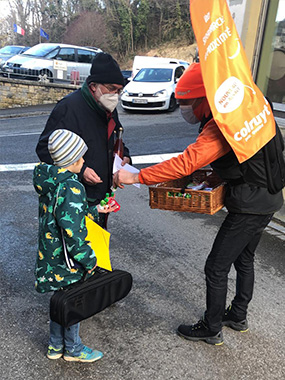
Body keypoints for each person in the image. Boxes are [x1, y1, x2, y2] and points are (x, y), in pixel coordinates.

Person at [114, 63, 284, 345]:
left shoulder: (222, 122)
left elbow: (187, 162)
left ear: (205, 98)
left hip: (249, 203)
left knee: (216, 267)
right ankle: (238, 315)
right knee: (244, 258)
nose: (184, 108)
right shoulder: (249, 103)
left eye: (187, 102)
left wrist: (138, 177)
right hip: (269, 195)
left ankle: (211, 327)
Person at [33, 129, 118, 361]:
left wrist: (93, 210)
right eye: (81, 157)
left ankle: (55, 346)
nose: (84, 161)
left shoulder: (50, 181)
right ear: (71, 161)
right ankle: (74, 349)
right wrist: (89, 260)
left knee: (59, 301)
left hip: (51, 254)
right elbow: (74, 232)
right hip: (68, 258)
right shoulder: (72, 186)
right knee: (73, 303)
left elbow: (60, 214)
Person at [36, 52, 131, 227]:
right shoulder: (69, 107)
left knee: (95, 246)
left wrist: (125, 157)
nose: (115, 95)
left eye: (119, 90)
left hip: (103, 194)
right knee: (78, 248)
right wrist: (81, 170)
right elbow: (44, 148)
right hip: (76, 197)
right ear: (93, 86)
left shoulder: (108, 108)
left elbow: (116, 137)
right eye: (111, 89)